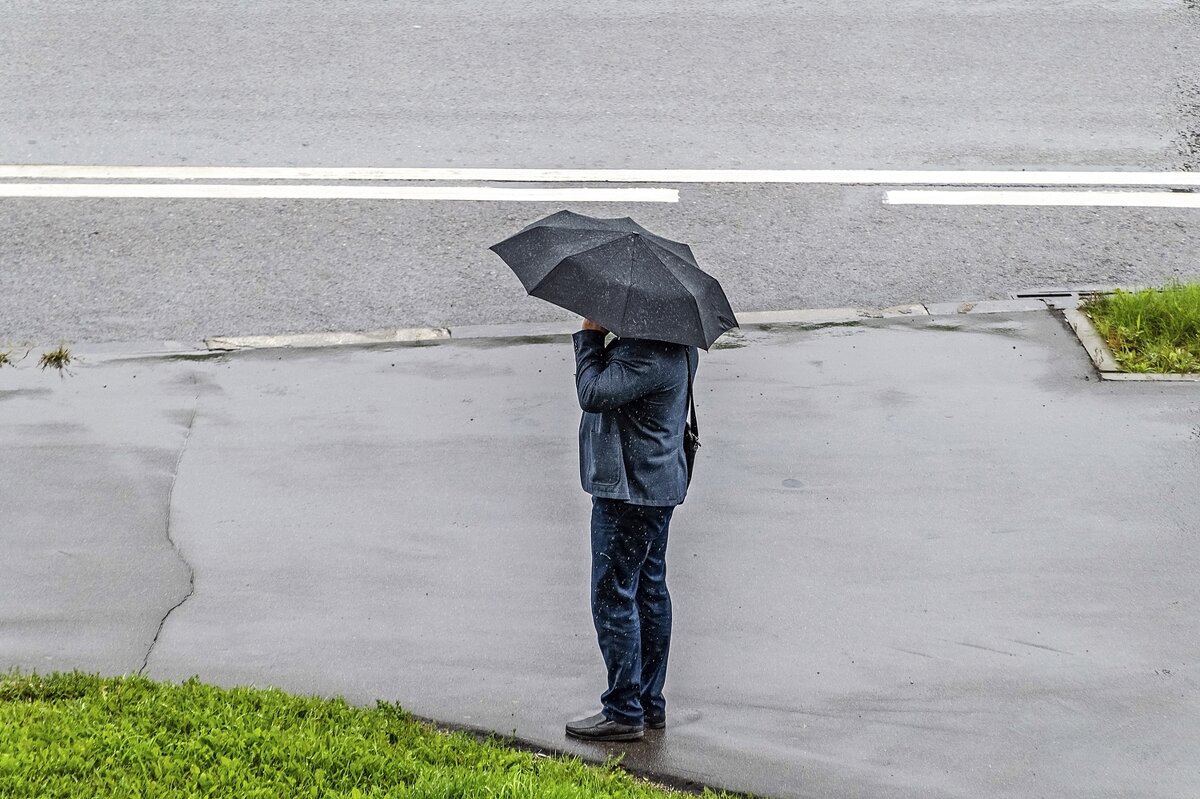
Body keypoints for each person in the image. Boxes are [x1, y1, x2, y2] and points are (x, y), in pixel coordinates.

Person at [565, 317, 698, 742]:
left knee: (613, 594)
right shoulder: (677, 341)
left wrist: (590, 336)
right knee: (649, 589)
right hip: (656, 487)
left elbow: (592, 393)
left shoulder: (645, 352)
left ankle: (624, 709)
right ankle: (648, 703)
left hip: (630, 493)